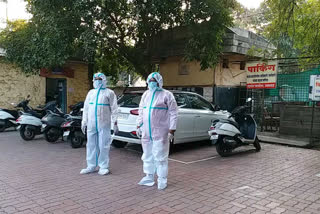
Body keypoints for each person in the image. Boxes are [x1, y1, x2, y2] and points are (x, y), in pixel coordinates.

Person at [136, 72, 178, 190]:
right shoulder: (146, 94)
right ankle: (149, 177)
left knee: (160, 157)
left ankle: (162, 179)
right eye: (150, 80)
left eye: (154, 80)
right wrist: (138, 125)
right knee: (147, 155)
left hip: (161, 132)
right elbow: (141, 110)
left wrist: (172, 129)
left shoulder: (167, 95)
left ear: (159, 81)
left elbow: (174, 113)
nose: (151, 82)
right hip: (146, 132)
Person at [80, 73, 119, 175]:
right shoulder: (91, 93)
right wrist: (84, 121)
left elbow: (114, 109)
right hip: (91, 123)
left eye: (99, 79)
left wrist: (115, 122)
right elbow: (86, 108)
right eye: (96, 79)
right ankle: (91, 165)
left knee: (103, 144)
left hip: (104, 123)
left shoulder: (109, 93)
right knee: (91, 145)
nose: (97, 81)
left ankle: (103, 166)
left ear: (104, 80)